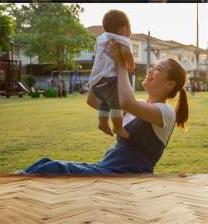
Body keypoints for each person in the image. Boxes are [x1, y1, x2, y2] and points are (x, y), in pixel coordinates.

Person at [17, 40, 189, 175]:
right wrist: (104, 65)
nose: (150, 70)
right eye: (152, 67)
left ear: (170, 84)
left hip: (123, 176)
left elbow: (126, 102)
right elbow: (93, 100)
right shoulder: (140, 106)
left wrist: (121, 65)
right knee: (45, 163)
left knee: (54, 168)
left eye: (157, 69)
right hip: (106, 168)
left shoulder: (165, 113)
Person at [89, 9, 135, 139]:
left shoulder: (101, 39)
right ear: (124, 29)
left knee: (104, 101)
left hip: (96, 80)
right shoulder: (122, 39)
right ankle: (118, 127)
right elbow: (126, 53)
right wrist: (131, 65)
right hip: (109, 80)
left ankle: (102, 123)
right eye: (130, 26)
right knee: (117, 102)